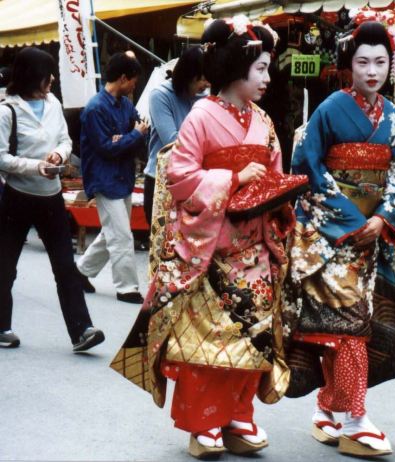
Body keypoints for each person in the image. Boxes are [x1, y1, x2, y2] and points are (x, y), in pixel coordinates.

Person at [110, 16, 297, 459]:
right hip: (211, 249)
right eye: (261, 69)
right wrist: (232, 178)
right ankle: (203, 423)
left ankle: (238, 416)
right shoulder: (202, 116)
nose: (268, 78)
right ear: (235, 68)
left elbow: (273, 175)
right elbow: (179, 176)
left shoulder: (264, 122)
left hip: (253, 248)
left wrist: (280, 195)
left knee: (252, 335)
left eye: (268, 69)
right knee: (208, 337)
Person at [283, 9, 395, 457]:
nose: (371, 72)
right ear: (350, 66)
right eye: (363, 62)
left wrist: (383, 218)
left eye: (380, 63)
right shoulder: (331, 109)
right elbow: (307, 167)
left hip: (371, 236)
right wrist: (351, 220)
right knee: (351, 328)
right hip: (331, 239)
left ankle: (328, 408)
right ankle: (356, 418)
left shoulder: (394, 118)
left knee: (351, 327)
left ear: (391, 64)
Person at [0, 47, 104, 352]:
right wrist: (36, 166)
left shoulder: (53, 102)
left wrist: (58, 154)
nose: (53, 80)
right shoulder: (7, 110)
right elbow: (1, 157)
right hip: (17, 198)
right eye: (48, 75)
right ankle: (1, 326)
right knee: (5, 266)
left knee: (64, 266)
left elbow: (64, 137)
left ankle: (82, 330)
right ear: (33, 77)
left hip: (51, 197)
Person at [75, 52, 149, 304]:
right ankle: (127, 287)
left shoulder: (124, 105)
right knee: (121, 235)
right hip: (104, 178)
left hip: (121, 175)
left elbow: (137, 128)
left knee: (113, 232)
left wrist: (127, 137)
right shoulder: (95, 108)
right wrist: (132, 136)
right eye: (133, 82)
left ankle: (80, 271)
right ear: (123, 78)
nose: (134, 87)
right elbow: (107, 147)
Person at [143, 46, 210, 225]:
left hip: (194, 181)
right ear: (188, 76)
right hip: (162, 182)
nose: (206, 84)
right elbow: (172, 142)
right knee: (163, 247)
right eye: (201, 78)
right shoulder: (160, 95)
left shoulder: (205, 97)